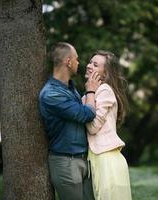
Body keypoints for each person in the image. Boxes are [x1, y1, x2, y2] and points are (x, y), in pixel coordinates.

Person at [39, 42, 101, 200]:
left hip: (84, 160)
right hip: (66, 163)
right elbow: (87, 114)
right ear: (68, 62)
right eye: (77, 59)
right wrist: (91, 90)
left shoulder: (70, 88)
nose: (79, 63)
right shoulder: (51, 94)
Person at [82, 50, 132, 200]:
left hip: (107, 160)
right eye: (90, 62)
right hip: (99, 158)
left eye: (95, 65)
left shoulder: (104, 90)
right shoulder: (89, 93)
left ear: (105, 74)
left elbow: (93, 126)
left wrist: (90, 92)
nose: (89, 66)